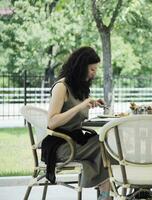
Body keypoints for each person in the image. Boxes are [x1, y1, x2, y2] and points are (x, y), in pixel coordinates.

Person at [41, 46, 111, 200]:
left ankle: (105, 193)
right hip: (61, 146)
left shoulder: (78, 88)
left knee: (109, 143)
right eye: (92, 69)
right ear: (81, 68)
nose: (94, 73)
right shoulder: (61, 87)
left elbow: (75, 116)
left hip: (75, 140)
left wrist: (92, 103)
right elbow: (52, 122)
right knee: (106, 146)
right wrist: (81, 105)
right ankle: (106, 195)